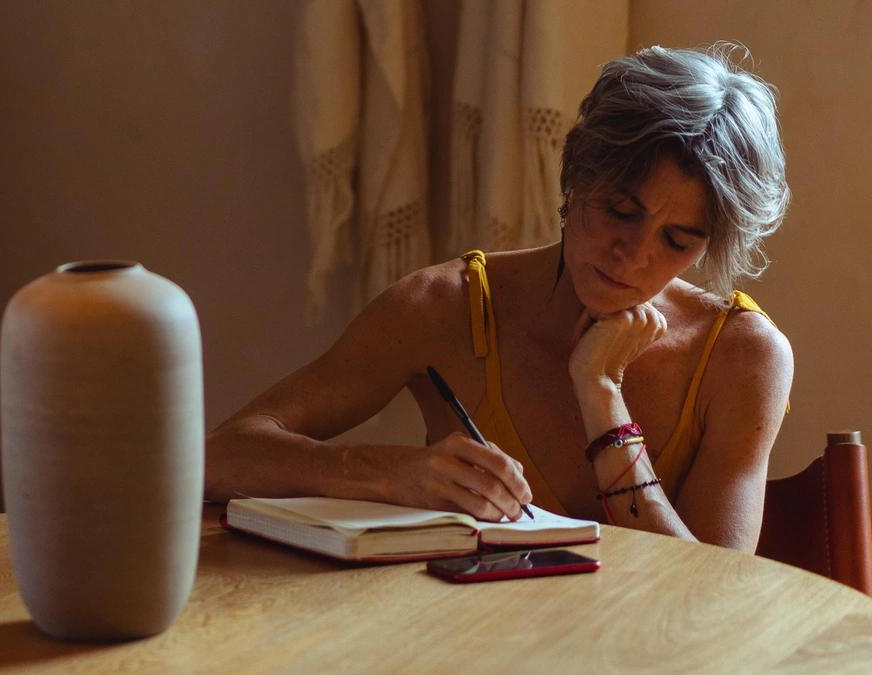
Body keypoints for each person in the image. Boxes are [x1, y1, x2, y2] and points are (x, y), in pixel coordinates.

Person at [205, 44, 792, 552]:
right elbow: (217, 457)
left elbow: (714, 594)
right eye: (620, 211)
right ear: (574, 174)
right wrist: (386, 474)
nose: (634, 255)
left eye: (677, 239)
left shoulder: (741, 356)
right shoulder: (448, 308)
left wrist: (602, 395)